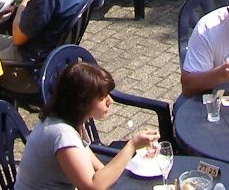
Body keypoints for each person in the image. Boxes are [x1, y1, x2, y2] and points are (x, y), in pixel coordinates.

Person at [13, 60, 158, 190]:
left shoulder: (69, 120)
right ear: (82, 102)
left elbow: (99, 170)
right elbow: (93, 187)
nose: (110, 101)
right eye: (102, 98)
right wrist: (132, 146)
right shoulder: (63, 135)